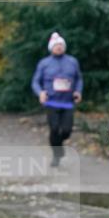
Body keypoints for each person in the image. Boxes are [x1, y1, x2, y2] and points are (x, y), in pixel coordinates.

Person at [31, 32, 83, 167]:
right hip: (51, 102)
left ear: (64, 46)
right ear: (51, 47)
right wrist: (40, 92)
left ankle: (58, 146)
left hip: (67, 102)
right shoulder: (44, 63)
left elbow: (79, 79)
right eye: (56, 45)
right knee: (54, 129)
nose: (59, 47)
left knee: (66, 131)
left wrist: (78, 91)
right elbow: (35, 82)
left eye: (61, 45)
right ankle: (56, 155)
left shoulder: (72, 61)